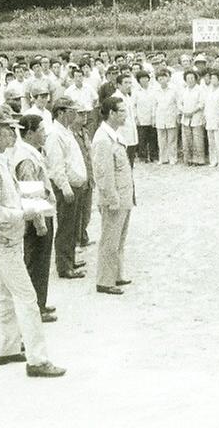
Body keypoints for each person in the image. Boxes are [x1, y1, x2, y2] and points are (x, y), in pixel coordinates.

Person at [0, 107, 66, 377]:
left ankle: (6, 348)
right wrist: (26, 213)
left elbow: (5, 200)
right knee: (27, 298)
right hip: (3, 239)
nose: (13, 133)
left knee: (4, 295)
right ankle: (38, 360)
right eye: (7, 129)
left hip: (5, 238)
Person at [12, 114, 58, 324]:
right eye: (40, 130)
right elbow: (30, 194)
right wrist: (39, 223)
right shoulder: (27, 159)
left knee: (41, 262)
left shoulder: (31, 153)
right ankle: (35, 307)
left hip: (43, 211)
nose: (44, 133)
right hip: (36, 216)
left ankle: (40, 301)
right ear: (29, 133)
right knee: (36, 263)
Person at [92, 97, 134, 295]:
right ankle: (105, 280)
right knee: (110, 238)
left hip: (123, 194)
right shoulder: (102, 139)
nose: (125, 115)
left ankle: (116, 274)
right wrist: (112, 198)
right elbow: (104, 174)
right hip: (114, 197)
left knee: (119, 238)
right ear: (111, 113)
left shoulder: (114, 135)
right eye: (122, 111)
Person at [45, 96, 88, 279]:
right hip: (67, 187)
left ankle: (69, 258)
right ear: (61, 113)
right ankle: (64, 266)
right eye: (72, 111)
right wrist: (65, 188)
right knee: (66, 227)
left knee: (73, 225)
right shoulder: (55, 134)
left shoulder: (66, 131)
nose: (75, 114)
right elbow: (57, 166)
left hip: (75, 185)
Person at [72, 105, 95, 248]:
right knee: (77, 213)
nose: (84, 117)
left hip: (88, 176)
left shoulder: (85, 132)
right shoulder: (70, 135)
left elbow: (89, 155)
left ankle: (83, 236)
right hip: (79, 177)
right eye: (81, 114)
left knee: (86, 211)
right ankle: (76, 240)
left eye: (85, 114)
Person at [178, 70, 206, 166]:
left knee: (197, 139)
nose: (190, 80)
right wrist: (184, 111)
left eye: (192, 78)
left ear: (195, 79)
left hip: (196, 116)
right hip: (185, 117)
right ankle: (188, 159)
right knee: (186, 139)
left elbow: (201, 103)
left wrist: (193, 111)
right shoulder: (183, 90)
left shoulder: (200, 89)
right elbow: (179, 103)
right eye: (188, 78)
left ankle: (199, 160)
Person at [153, 68, 179, 165]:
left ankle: (173, 158)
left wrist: (177, 115)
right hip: (160, 117)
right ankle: (163, 158)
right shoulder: (156, 91)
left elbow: (177, 103)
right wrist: (153, 118)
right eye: (159, 79)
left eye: (163, 78)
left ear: (167, 78)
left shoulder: (173, 90)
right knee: (161, 139)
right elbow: (154, 105)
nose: (162, 80)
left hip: (171, 116)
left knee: (172, 139)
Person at [113, 73, 138, 167]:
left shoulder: (128, 97)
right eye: (126, 83)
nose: (129, 85)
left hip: (131, 135)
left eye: (130, 83)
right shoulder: (115, 98)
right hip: (121, 136)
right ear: (119, 85)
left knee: (130, 164)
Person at [133, 70, 157, 163]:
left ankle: (153, 156)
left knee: (152, 138)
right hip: (141, 118)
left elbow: (155, 104)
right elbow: (133, 105)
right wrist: (136, 117)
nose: (144, 80)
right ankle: (143, 157)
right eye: (141, 78)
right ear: (139, 80)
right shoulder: (136, 92)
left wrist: (154, 116)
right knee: (142, 138)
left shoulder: (153, 90)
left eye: (145, 78)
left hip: (152, 117)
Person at [203, 72, 219, 168]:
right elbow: (206, 106)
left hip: (218, 118)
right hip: (209, 118)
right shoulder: (209, 91)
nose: (212, 80)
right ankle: (213, 160)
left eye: (214, 78)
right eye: (211, 78)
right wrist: (205, 117)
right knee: (211, 141)